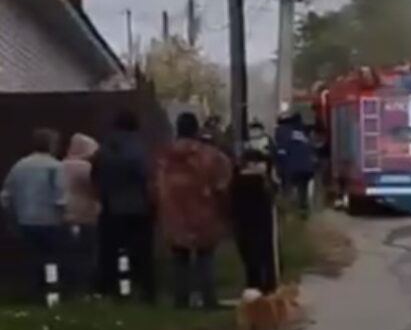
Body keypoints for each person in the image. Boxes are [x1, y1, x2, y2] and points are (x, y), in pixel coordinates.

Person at [156, 112, 233, 310]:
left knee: (179, 259)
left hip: (174, 214)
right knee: (205, 257)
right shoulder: (210, 155)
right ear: (196, 129)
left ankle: (181, 301)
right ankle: (208, 299)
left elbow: (156, 185)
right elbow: (222, 184)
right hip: (203, 211)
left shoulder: (165, 156)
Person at [92, 111, 157, 303]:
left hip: (110, 205)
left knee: (109, 252)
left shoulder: (103, 148)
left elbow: (94, 175)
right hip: (137, 206)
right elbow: (146, 175)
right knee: (141, 253)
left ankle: (110, 290)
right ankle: (145, 291)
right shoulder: (139, 148)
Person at [1, 128, 67, 302]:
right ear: (51, 144)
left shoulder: (20, 166)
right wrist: (63, 216)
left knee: (32, 258)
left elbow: (6, 195)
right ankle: (52, 293)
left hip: (26, 220)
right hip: (50, 220)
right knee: (51, 258)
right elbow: (60, 196)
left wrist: (11, 216)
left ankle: (32, 292)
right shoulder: (55, 166)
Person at [230, 148, 278, 294]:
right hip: (261, 225)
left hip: (243, 226)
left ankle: (253, 287)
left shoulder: (236, 181)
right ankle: (268, 287)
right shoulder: (260, 182)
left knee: (250, 260)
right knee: (264, 257)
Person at [62, 133, 101, 298]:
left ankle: (67, 287)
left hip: (65, 214)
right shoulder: (87, 168)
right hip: (86, 214)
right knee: (87, 254)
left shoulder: (60, 165)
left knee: (68, 254)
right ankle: (85, 289)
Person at [275, 113, 316, 217]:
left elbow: (281, 151)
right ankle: (303, 209)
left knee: (288, 188)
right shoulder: (303, 131)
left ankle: (287, 212)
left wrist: (279, 168)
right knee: (303, 188)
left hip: (291, 166)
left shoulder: (282, 131)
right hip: (306, 167)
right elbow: (310, 148)